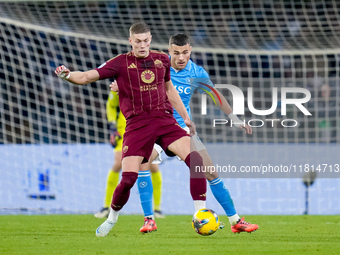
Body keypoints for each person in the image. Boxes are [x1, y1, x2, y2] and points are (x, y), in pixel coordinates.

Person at [55, 22, 207, 237]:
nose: (142, 45)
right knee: (127, 179)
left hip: (164, 121)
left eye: (146, 41)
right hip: (137, 126)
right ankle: (111, 218)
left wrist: (185, 117)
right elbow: (86, 77)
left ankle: (200, 213)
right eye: (138, 41)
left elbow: (169, 89)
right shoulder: (119, 63)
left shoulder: (162, 59)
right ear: (130, 41)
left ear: (150, 39)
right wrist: (68, 75)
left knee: (197, 161)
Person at [124, 33, 259, 234]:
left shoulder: (197, 72)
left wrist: (234, 117)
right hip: (156, 128)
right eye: (176, 53)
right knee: (142, 162)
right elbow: (128, 73)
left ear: (190, 51)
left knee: (210, 171)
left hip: (182, 131)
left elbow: (215, 95)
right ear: (169, 51)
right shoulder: (156, 65)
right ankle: (149, 219)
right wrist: (119, 84)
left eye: (185, 52)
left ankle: (235, 221)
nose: (180, 57)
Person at [94, 91, 164, 219]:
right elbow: (111, 105)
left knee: (153, 166)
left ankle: (157, 208)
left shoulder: (148, 83)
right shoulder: (121, 84)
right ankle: (106, 206)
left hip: (147, 130)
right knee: (118, 163)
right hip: (125, 131)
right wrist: (112, 126)